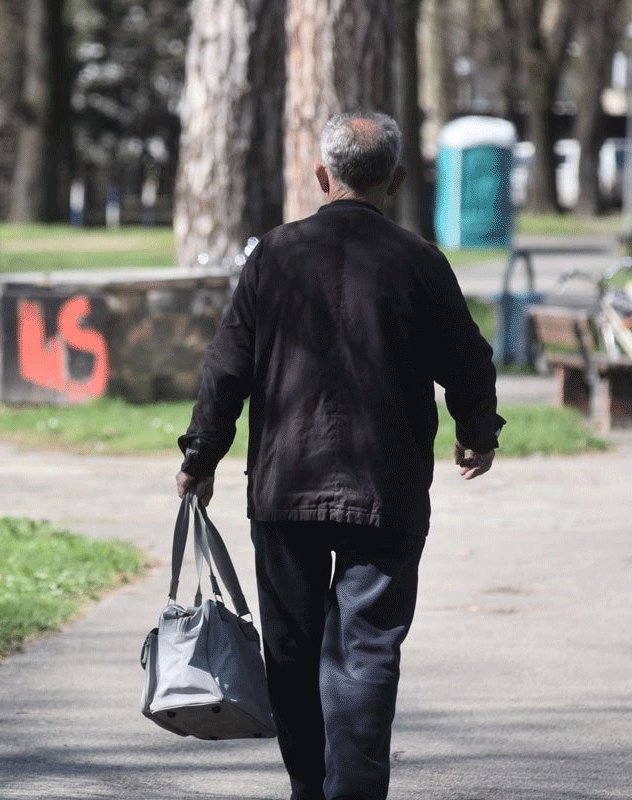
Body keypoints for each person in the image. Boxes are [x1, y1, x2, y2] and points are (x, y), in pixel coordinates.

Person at [175, 112, 504, 800]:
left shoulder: (273, 255)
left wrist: (201, 455)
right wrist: (476, 429)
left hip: (286, 484)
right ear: (397, 180)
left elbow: (227, 366)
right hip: (386, 487)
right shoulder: (419, 260)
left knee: (291, 653)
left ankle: (308, 787)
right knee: (369, 652)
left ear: (323, 176)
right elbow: (468, 361)